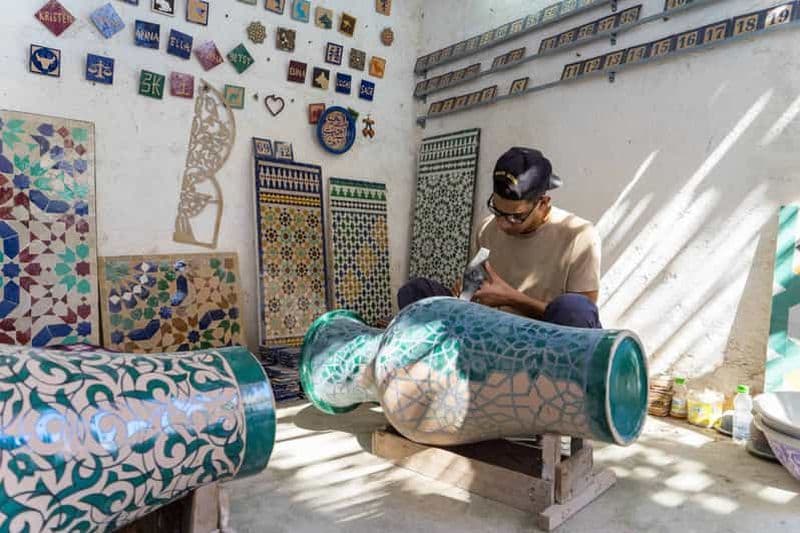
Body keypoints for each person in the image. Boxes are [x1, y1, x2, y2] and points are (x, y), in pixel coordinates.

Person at [399, 146, 602, 329]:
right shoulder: (486, 228)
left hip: (545, 337)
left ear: (543, 203)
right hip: (494, 331)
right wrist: (465, 292)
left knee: (574, 308)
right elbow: (470, 286)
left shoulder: (579, 236)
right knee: (416, 292)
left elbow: (579, 320)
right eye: (497, 210)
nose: (502, 224)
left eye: (515, 217)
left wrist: (513, 299)